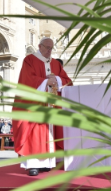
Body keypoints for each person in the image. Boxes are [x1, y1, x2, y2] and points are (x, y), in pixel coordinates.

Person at [13, 37, 72, 176]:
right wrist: (45, 82)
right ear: (39, 46)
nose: (49, 51)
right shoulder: (29, 60)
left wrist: (56, 80)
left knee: (49, 133)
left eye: (51, 48)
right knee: (34, 133)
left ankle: (46, 163)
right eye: (47, 47)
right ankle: (33, 165)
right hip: (34, 105)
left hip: (51, 105)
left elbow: (67, 80)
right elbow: (26, 80)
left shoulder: (56, 63)